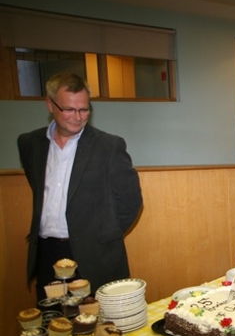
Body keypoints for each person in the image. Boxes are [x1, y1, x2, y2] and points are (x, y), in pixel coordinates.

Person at [18, 72, 143, 301]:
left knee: (98, 326)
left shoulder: (109, 146)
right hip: (47, 254)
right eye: (69, 109)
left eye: (84, 110)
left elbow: (131, 202)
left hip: (93, 256)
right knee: (53, 324)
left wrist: (102, 236)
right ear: (50, 105)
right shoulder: (29, 144)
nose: (77, 117)